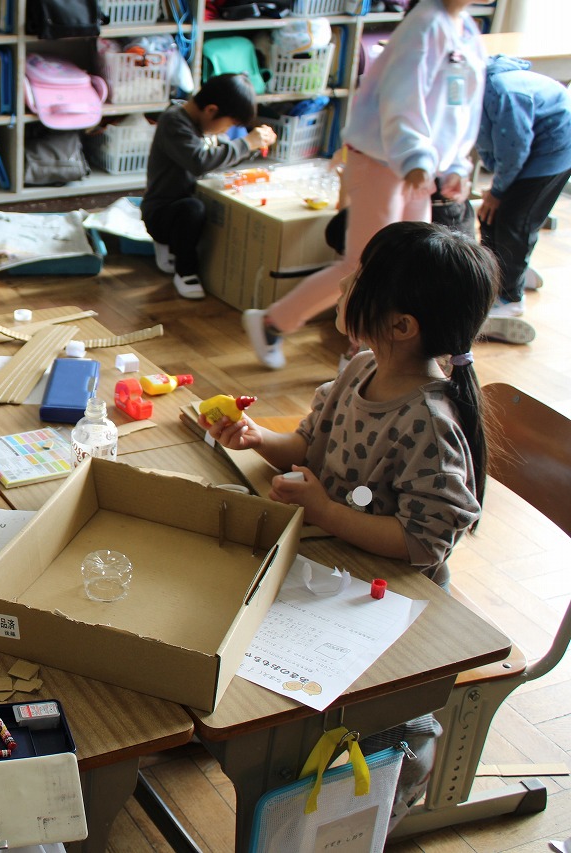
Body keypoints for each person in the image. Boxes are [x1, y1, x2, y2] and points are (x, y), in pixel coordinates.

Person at [204, 221, 498, 833]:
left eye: (360, 279)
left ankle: (386, 795)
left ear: (402, 326)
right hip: (335, 569)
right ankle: (275, 752)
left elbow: (423, 543)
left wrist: (327, 512)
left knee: (385, 724)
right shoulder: (360, 368)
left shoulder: (429, 420)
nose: (344, 285)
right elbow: (308, 446)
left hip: (395, 603)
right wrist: (259, 440)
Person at [243, 0, 486, 369]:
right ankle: (282, 325)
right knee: (367, 266)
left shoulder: (466, 29)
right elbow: (401, 99)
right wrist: (416, 158)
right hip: (381, 159)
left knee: (407, 266)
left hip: (419, 166)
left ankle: (363, 352)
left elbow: (462, 106)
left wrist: (454, 163)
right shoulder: (425, 25)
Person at [143, 72, 277, 300]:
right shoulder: (173, 122)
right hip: (163, 212)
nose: (226, 131)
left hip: (192, 206)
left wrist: (255, 146)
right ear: (211, 110)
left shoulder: (205, 126)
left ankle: (191, 254)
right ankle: (185, 271)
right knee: (192, 209)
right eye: (228, 125)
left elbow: (224, 156)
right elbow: (199, 162)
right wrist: (246, 143)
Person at [476, 53, 571, 343]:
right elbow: (487, 139)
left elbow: (514, 149)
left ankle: (510, 297)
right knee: (491, 215)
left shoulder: (503, 92)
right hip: (530, 149)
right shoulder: (477, 89)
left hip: (554, 150)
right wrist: (496, 189)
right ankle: (507, 273)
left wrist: (498, 191)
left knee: (516, 221)